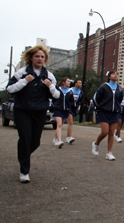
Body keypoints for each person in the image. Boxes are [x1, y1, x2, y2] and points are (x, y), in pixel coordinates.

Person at [6, 45, 60, 183]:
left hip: (40, 112)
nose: (40, 59)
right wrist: (25, 81)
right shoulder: (22, 73)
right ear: (31, 58)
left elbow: (57, 95)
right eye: (37, 56)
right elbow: (10, 89)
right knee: (25, 138)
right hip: (22, 111)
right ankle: (24, 171)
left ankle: (23, 155)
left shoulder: (49, 75)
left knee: (34, 142)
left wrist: (50, 86)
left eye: (42, 57)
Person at [92, 71, 124, 161]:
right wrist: (101, 107)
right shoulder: (104, 87)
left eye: (117, 74)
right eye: (113, 74)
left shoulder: (119, 88)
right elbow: (96, 98)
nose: (115, 75)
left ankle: (109, 153)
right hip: (104, 112)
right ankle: (96, 144)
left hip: (114, 113)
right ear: (109, 76)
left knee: (111, 133)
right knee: (105, 132)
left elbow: (120, 99)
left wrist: (117, 108)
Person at [52, 77, 74, 148]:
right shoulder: (58, 89)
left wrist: (69, 108)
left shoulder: (70, 91)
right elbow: (54, 98)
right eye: (67, 81)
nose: (69, 82)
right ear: (63, 82)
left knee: (61, 124)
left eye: (69, 81)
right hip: (58, 109)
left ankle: (55, 138)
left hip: (66, 110)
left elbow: (71, 101)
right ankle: (59, 141)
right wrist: (55, 105)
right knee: (59, 124)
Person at [66, 79, 84, 144]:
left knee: (71, 123)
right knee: (70, 122)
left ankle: (68, 136)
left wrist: (78, 105)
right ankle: (70, 137)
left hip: (75, 108)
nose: (80, 84)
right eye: (79, 83)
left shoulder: (81, 92)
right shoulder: (70, 90)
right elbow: (67, 98)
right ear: (75, 83)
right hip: (69, 108)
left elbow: (82, 99)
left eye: (81, 83)